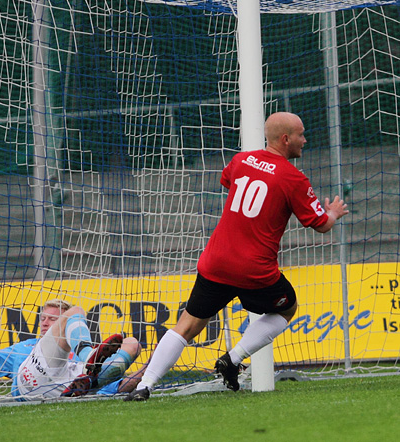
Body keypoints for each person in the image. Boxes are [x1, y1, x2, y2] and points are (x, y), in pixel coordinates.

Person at [125, 112, 350, 401]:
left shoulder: (241, 160)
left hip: (216, 261)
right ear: (285, 139)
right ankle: (233, 359)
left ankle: (145, 386)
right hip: (254, 270)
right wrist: (332, 212)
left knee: (187, 325)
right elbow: (320, 225)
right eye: (300, 135)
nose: (304, 140)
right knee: (286, 309)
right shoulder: (293, 177)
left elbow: (229, 182)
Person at [0, 282, 142, 399]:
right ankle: (90, 363)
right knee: (77, 312)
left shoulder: (78, 347)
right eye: (43, 319)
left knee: (133, 343)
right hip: (33, 384)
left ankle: (92, 379)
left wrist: (155, 365)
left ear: (69, 326)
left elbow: (122, 386)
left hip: (68, 388)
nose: (45, 323)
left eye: (53, 320)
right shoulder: (26, 348)